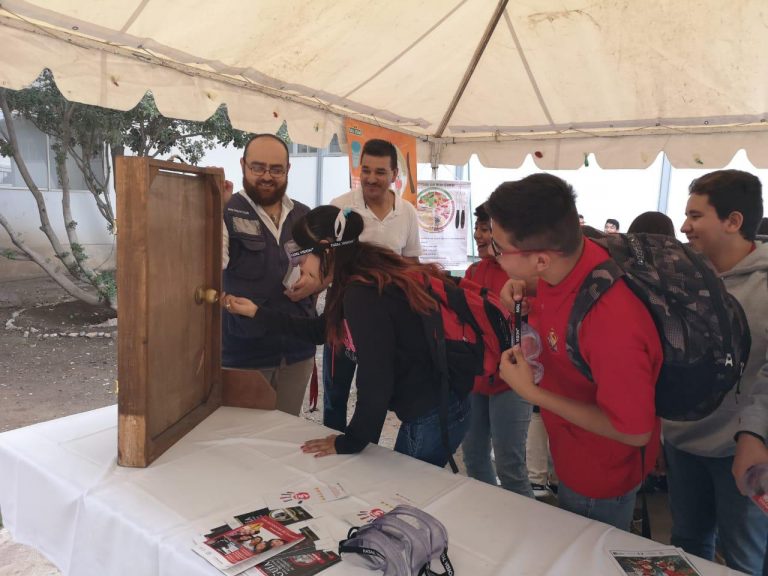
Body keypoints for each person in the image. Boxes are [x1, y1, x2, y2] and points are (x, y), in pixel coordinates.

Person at [224, 206, 470, 467]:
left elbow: (376, 381)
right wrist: (257, 313)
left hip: (434, 411)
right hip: (429, 405)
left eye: (301, 254)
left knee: (403, 495)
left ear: (326, 248)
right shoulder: (350, 276)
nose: (297, 264)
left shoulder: (362, 292)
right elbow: (320, 330)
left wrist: (349, 441)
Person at [486, 173, 662, 531]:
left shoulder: (612, 321)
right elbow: (561, 297)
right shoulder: (574, 259)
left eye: (499, 249)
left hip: (600, 474)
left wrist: (531, 393)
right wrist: (526, 287)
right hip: (571, 452)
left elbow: (634, 432)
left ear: (540, 259)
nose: (495, 257)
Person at [664, 169, 768, 575]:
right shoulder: (680, 277)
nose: (685, 226)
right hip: (682, 443)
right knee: (687, 545)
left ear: (734, 220)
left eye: (695, 215)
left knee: (743, 557)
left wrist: (754, 435)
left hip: (741, 451)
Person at [322, 138, 422, 432]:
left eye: (380, 172)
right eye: (366, 170)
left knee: (374, 397)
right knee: (335, 396)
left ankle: (366, 456)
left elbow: (412, 265)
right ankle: (332, 452)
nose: (371, 178)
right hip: (341, 318)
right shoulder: (339, 208)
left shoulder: (407, 213)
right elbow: (324, 263)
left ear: (394, 175)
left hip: (384, 325)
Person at [221, 133, 317, 416]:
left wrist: (316, 282)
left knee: (285, 435)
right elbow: (208, 266)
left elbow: (322, 268)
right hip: (244, 354)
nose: (266, 176)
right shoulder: (226, 210)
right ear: (243, 165)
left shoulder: (304, 215)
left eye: (276, 169)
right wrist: (214, 209)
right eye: (257, 167)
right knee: (242, 443)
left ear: (288, 170)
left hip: (298, 352)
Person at [460, 203, 533, 497]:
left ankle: (524, 529)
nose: (479, 235)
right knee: (474, 459)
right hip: (476, 378)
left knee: (510, 467)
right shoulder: (473, 270)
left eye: (487, 229)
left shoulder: (524, 276)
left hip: (512, 381)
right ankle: (489, 519)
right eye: (478, 228)